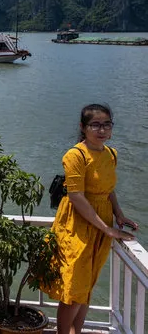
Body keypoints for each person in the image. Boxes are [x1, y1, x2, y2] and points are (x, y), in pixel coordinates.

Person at [41, 104, 137, 334]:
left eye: (106, 124)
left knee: (87, 287)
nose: (101, 130)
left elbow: (108, 189)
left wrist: (119, 214)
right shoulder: (76, 155)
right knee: (74, 289)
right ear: (83, 128)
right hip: (77, 224)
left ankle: (77, 331)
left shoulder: (111, 154)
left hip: (101, 221)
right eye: (95, 125)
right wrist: (108, 229)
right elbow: (76, 196)